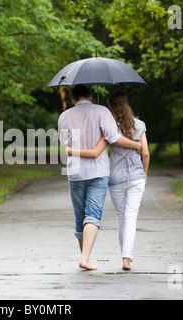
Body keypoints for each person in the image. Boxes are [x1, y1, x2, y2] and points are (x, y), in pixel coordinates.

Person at [58, 85, 142, 270]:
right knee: (93, 214)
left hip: (75, 172)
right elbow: (114, 138)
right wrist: (136, 146)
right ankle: (85, 258)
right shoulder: (102, 111)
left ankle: (85, 257)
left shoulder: (64, 116)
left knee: (80, 216)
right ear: (89, 96)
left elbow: (65, 142)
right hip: (98, 172)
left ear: (73, 99)